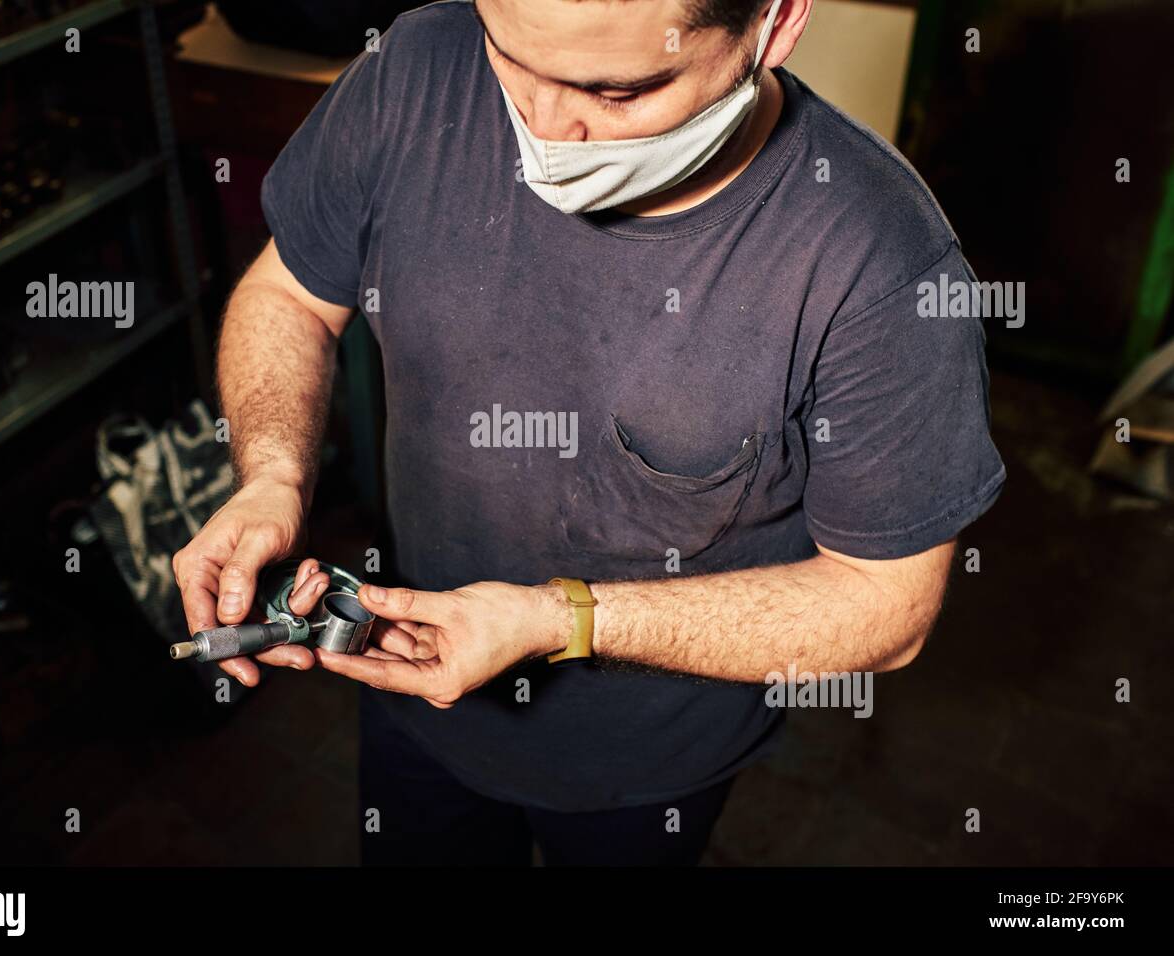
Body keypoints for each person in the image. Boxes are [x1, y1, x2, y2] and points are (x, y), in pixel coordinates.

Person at [172, 0, 1005, 865]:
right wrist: (273, 476)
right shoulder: (418, 66)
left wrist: (561, 620)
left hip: (648, 770)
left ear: (776, 22)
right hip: (411, 705)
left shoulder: (878, 264)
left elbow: (886, 603)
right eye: (511, 60)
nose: (546, 130)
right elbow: (290, 296)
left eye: (615, 93)